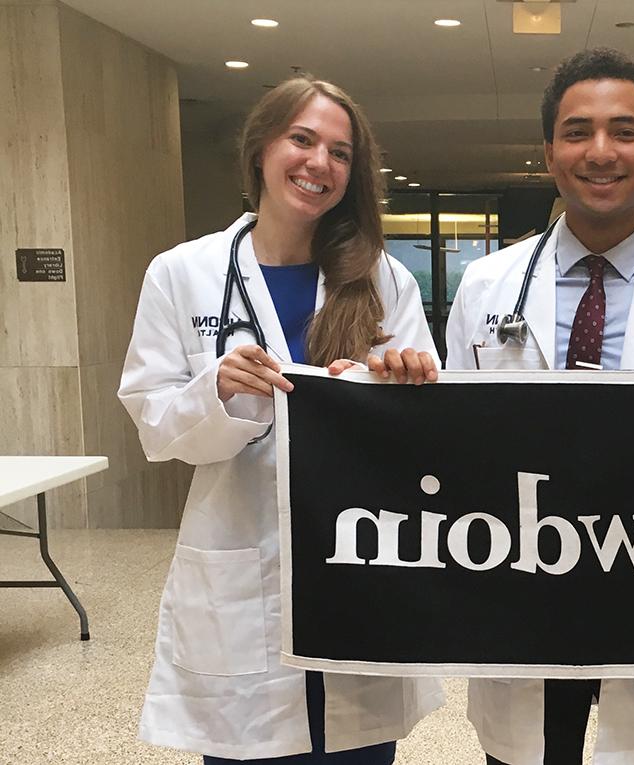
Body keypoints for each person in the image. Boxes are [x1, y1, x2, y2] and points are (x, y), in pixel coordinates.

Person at [445, 48, 634, 765]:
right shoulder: (486, 285)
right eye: (577, 131)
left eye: (623, 131)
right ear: (549, 150)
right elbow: (454, 447)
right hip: (521, 583)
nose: (600, 152)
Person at [119, 76, 441, 763]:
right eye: (302, 139)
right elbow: (153, 422)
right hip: (243, 567)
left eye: (340, 152)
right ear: (261, 148)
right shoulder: (182, 274)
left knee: (356, 745)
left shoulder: (386, 280)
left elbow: (425, 432)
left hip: (359, 564)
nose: (319, 163)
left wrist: (400, 389)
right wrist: (221, 390)